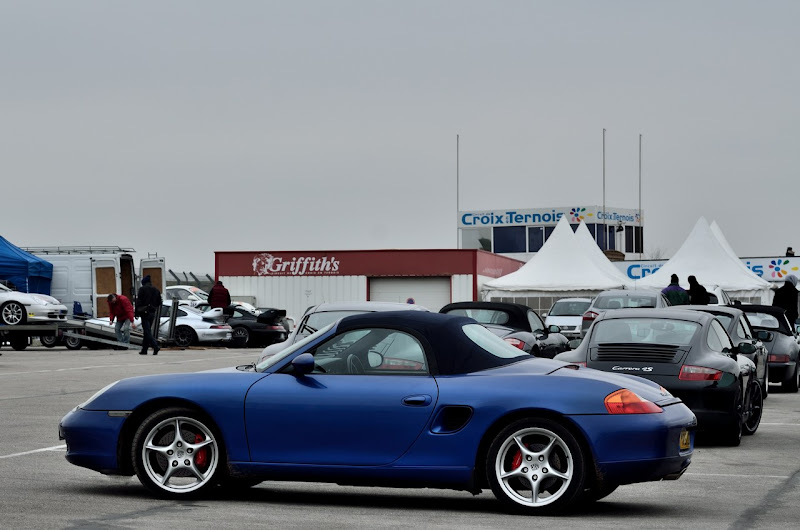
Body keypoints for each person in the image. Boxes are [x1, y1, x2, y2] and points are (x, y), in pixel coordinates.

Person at [136, 275, 162, 355]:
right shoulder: (156, 290)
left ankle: (155, 346)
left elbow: (138, 302)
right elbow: (160, 302)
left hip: (144, 313)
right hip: (152, 313)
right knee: (147, 331)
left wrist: (136, 313)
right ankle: (144, 350)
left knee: (147, 332)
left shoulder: (142, 289)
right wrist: (153, 307)